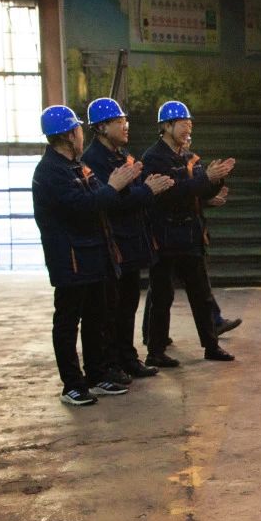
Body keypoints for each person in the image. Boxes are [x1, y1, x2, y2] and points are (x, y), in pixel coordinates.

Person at [32, 106, 147, 405]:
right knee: (68, 322)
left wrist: (118, 188)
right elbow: (83, 205)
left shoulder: (76, 166)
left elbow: (98, 197)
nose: (81, 134)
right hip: (69, 258)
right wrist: (114, 187)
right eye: (78, 130)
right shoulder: (50, 172)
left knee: (96, 317)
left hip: (92, 256)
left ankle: (96, 375)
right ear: (70, 135)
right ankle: (72, 385)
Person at [80, 97, 171, 381]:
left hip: (130, 242)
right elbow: (112, 202)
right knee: (111, 308)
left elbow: (129, 193)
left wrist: (145, 191)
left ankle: (127, 358)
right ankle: (110, 363)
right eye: (119, 122)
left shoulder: (122, 156)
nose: (126, 126)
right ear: (101, 127)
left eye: (125, 120)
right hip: (112, 244)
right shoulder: (93, 160)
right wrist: (147, 191)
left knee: (128, 302)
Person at [141, 100, 236, 366]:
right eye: (183, 123)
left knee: (201, 295)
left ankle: (211, 346)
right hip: (164, 237)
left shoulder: (187, 156)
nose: (188, 128)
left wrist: (216, 179)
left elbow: (199, 189)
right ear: (166, 126)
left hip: (190, 236)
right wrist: (206, 179)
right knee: (162, 297)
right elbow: (171, 193)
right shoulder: (154, 158)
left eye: (190, 123)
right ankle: (155, 352)